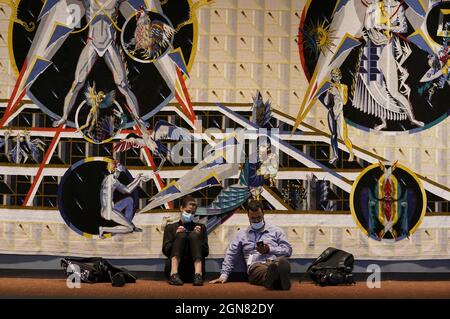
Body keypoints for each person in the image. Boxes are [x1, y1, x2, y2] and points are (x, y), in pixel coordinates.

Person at [210, 200, 293, 290]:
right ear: (248, 216)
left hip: (274, 261)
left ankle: (275, 280)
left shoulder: (276, 231)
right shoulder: (241, 234)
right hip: (256, 265)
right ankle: (277, 278)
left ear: (263, 214)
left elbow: (288, 251)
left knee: (281, 261)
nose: (256, 221)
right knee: (262, 271)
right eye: (253, 219)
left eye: (259, 217)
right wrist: (224, 275)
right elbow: (231, 254)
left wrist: (270, 249)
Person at [162, 195, 209, 286]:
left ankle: (198, 274)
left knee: (194, 235)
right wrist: (176, 236)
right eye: (187, 211)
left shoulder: (201, 227)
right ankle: (174, 274)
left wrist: (198, 238)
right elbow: (166, 251)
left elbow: (206, 252)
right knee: (181, 235)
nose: (190, 215)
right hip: (175, 270)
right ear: (181, 208)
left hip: (193, 272)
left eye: (193, 213)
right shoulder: (170, 227)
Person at [98, 160, 149, 238]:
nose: (121, 166)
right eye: (119, 165)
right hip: (108, 211)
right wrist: (138, 180)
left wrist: (138, 179)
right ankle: (103, 229)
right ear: (115, 169)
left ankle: (129, 224)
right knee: (130, 229)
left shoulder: (113, 179)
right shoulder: (111, 180)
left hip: (111, 208)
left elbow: (127, 190)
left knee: (129, 200)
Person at [323, 68, 354, 164]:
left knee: (343, 136)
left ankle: (351, 153)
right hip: (331, 112)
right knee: (333, 135)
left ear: (340, 76)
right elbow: (326, 102)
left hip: (340, 113)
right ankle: (335, 155)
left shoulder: (344, 87)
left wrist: (337, 91)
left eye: (337, 76)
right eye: (333, 76)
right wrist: (328, 92)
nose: (335, 78)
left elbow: (344, 102)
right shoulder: (331, 87)